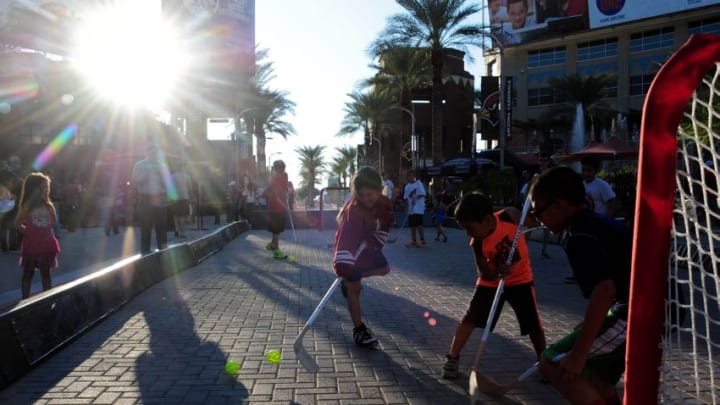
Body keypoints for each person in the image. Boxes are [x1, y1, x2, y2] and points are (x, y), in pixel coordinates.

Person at [529, 167, 630, 405]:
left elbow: (604, 290)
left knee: (553, 363)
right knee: (595, 376)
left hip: (639, 313)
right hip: (647, 306)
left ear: (560, 206)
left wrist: (578, 354)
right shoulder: (594, 223)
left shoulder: (578, 235)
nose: (538, 220)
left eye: (538, 211)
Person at [442, 193, 546, 379]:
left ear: (488, 220)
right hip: (491, 282)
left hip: (521, 279)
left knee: (533, 324)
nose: (467, 233)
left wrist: (530, 217)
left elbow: (532, 222)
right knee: (470, 318)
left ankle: (544, 363)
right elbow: (483, 272)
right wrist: (498, 271)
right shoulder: (477, 242)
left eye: (469, 228)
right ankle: (453, 357)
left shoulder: (511, 216)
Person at [332, 167, 394, 348]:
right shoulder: (354, 210)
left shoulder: (382, 204)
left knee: (385, 269)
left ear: (379, 190)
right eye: (364, 195)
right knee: (355, 289)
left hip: (366, 249)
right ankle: (359, 330)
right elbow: (346, 236)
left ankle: (348, 278)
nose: (368, 198)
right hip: (350, 251)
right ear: (357, 193)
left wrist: (375, 240)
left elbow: (384, 226)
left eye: (371, 194)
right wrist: (344, 263)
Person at [14, 172, 60, 299]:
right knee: (27, 274)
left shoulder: (48, 205)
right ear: (33, 189)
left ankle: (47, 301)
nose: (46, 190)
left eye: (47, 187)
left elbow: (53, 221)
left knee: (46, 274)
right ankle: (25, 302)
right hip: (32, 245)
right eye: (43, 187)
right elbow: (17, 224)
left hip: (48, 244)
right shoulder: (26, 206)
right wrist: (30, 233)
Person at [131, 143, 169, 255]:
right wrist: (146, 176)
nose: (155, 154)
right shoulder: (139, 165)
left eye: (156, 152)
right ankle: (145, 250)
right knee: (145, 225)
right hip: (145, 198)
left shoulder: (162, 166)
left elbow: (167, 184)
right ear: (146, 153)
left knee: (161, 225)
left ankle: (163, 249)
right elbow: (134, 181)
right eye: (152, 152)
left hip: (160, 197)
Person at [264, 160, 289, 259]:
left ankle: (272, 245)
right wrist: (284, 206)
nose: (281, 170)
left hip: (280, 208)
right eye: (278, 169)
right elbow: (276, 197)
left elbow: (285, 191)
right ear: (276, 169)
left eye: (282, 168)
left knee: (277, 230)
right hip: (276, 208)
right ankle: (276, 250)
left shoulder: (284, 176)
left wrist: (286, 201)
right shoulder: (275, 180)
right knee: (276, 230)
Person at [403, 170, 427, 247]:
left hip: (419, 208)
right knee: (412, 225)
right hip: (411, 209)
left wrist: (416, 197)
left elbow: (423, 194)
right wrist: (406, 210)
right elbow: (406, 199)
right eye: (409, 176)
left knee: (419, 224)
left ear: (414, 176)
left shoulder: (418, 183)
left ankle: (422, 240)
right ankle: (413, 240)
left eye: (412, 176)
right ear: (408, 177)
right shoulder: (407, 187)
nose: (411, 177)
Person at [171, 163, 191, 238]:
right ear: (182, 168)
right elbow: (190, 188)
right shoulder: (187, 176)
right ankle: (182, 233)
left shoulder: (172, 176)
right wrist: (191, 197)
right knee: (182, 216)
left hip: (174, 198)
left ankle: (177, 229)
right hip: (184, 197)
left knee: (175, 215)